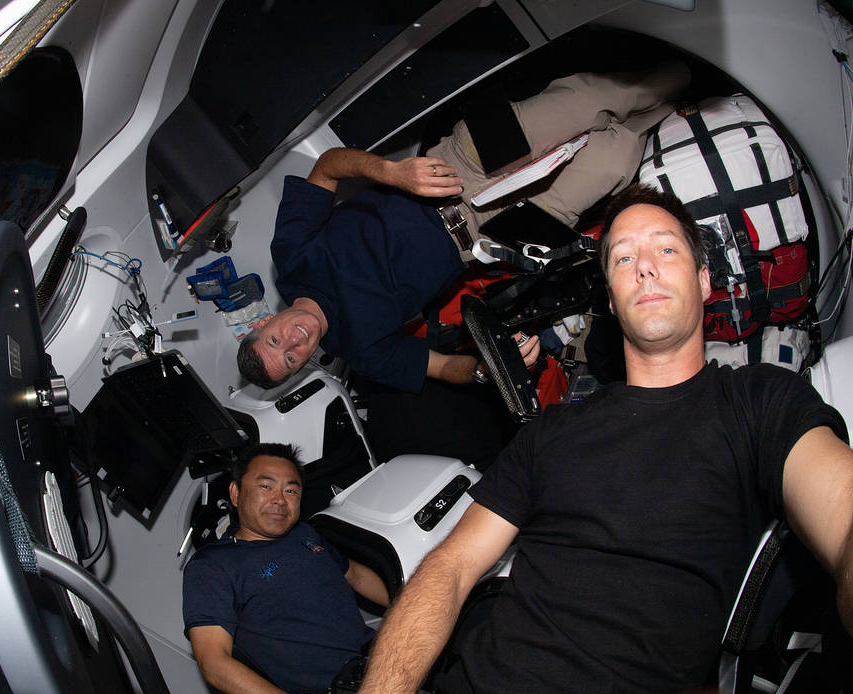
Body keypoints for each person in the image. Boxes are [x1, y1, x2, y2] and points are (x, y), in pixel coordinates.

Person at [358, 184, 853, 693]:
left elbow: (843, 517)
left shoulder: (760, 403)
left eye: (666, 248)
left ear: (705, 281)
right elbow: (452, 566)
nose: (644, 267)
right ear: (612, 302)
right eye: (623, 258)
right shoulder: (553, 431)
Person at [238, 62, 691, 393]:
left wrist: (394, 173)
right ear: (303, 367)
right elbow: (439, 368)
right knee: (616, 159)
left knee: (597, 100)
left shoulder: (293, 255)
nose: (294, 341)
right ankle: (693, 103)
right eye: (292, 358)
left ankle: (688, 64)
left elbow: (328, 167)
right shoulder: (364, 352)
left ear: (260, 324)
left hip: (452, 168)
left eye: (276, 340)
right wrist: (485, 368)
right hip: (492, 238)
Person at [182, 443, 389, 694]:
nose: (280, 499)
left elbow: (356, 576)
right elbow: (215, 663)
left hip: (381, 655)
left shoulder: (304, 533)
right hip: (339, 685)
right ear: (235, 494)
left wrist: (411, 607)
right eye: (266, 486)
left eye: (291, 490)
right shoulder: (213, 565)